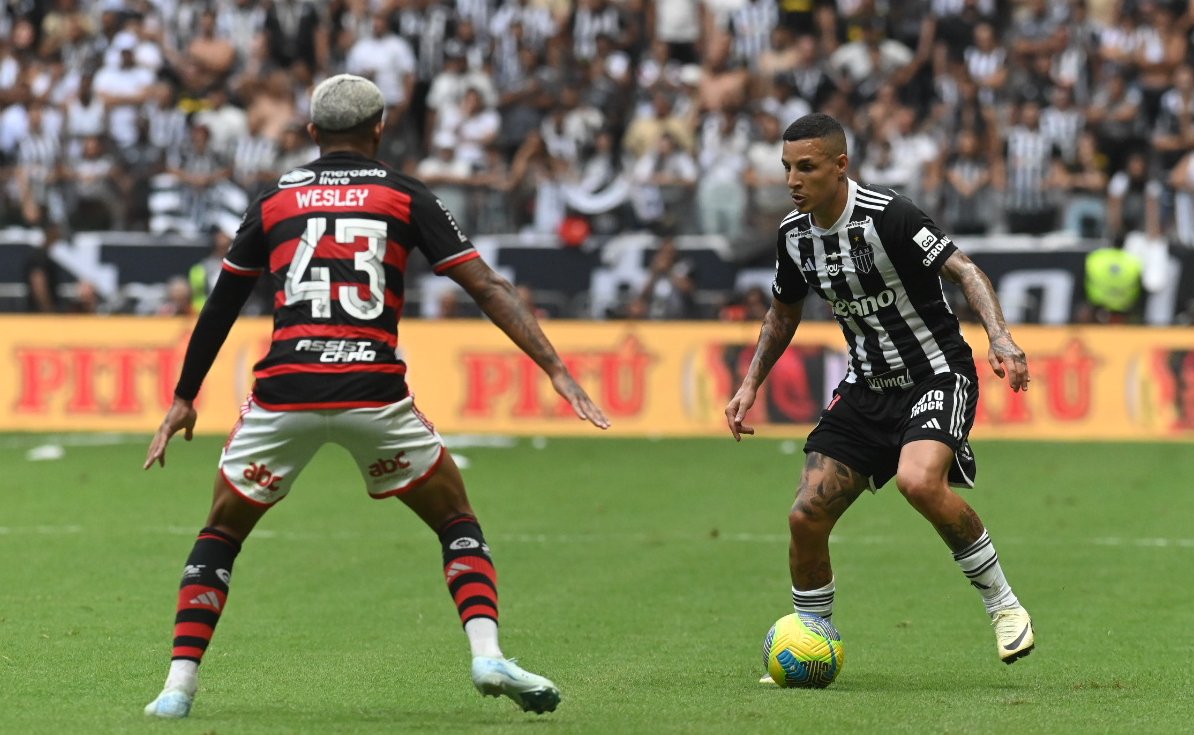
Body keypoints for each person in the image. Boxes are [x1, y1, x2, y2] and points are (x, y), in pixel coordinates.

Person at [142, 75, 610, 720]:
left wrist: (184, 397)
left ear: (311, 133)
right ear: (381, 128)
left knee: (221, 532)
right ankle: (486, 652)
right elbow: (487, 286)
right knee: (454, 519)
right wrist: (555, 368)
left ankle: (176, 688)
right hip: (374, 392)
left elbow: (223, 300)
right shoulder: (404, 194)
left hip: (286, 392)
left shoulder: (275, 198)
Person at [723, 114, 1035, 680]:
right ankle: (812, 639)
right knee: (804, 518)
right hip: (866, 388)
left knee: (919, 482)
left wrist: (1001, 337)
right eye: (787, 168)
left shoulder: (889, 216)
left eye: (807, 167)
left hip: (936, 374)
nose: (794, 180)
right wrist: (749, 385)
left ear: (840, 166)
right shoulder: (794, 237)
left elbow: (964, 269)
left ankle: (1004, 606)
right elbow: (782, 314)